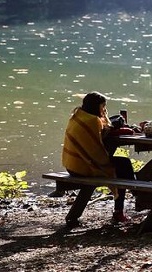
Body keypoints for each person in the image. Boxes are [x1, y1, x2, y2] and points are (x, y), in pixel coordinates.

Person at [61, 91, 135, 223]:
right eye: (103, 106)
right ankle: (135, 197)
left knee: (121, 166)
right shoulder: (92, 121)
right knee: (122, 166)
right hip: (83, 167)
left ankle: (134, 197)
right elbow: (97, 152)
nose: (104, 109)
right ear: (97, 106)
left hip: (71, 165)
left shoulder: (77, 116)